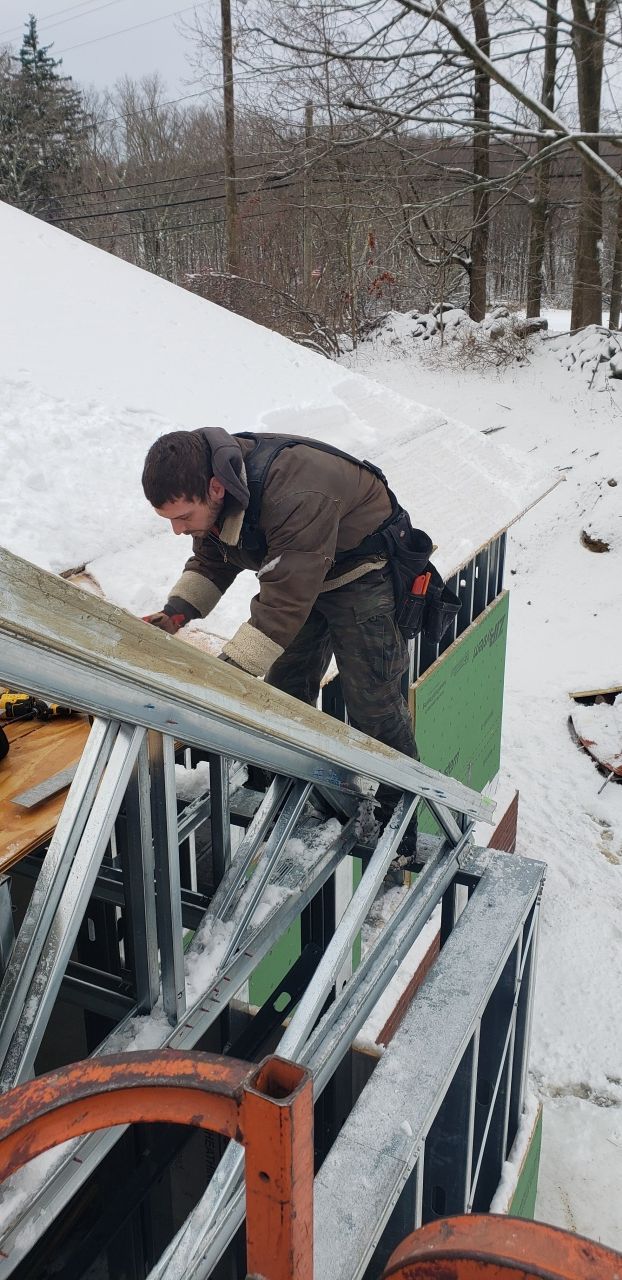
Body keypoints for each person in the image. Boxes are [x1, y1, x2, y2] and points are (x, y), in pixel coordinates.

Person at [142, 426, 418, 861]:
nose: (178, 530)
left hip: (361, 573)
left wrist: (228, 675)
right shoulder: (213, 485)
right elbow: (213, 556)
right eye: (170, 520)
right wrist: (177, 613)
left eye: (182, 518)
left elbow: (285, 602)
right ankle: (279, 783)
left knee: (372, 703)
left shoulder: (293, 493)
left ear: (215, 489)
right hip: (304, 571)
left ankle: (400, 828)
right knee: (285, 690)